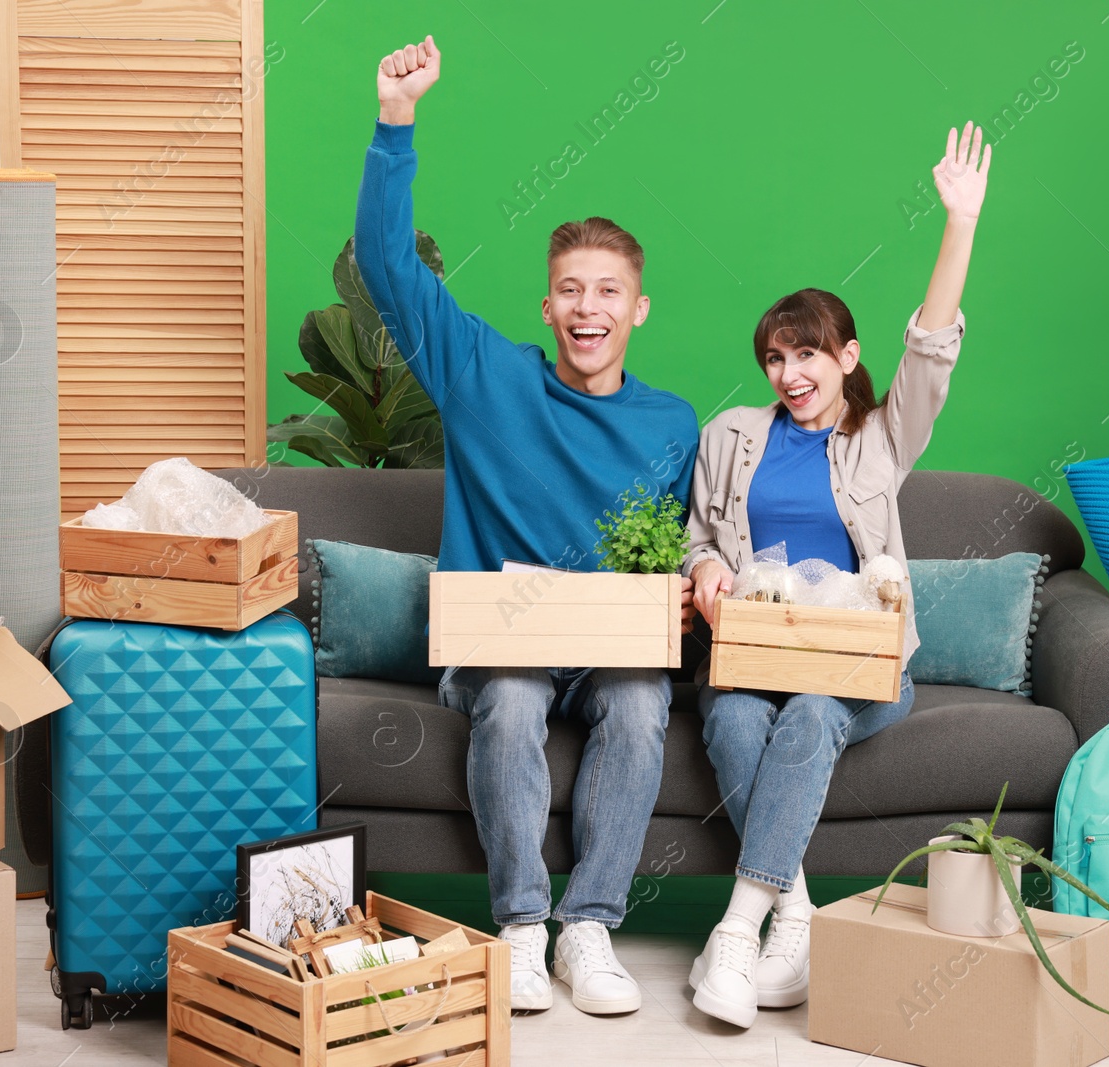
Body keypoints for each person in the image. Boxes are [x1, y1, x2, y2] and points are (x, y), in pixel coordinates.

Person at [356, 36, 700, 1017]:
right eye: (570, 290)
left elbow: (664, 542)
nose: (587, 308)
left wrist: (677, 582)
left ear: (636, 307)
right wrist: (395, 119)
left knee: (639, 706)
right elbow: (386, 264)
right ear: (545, 304)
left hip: (607, 649)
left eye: (607, 292)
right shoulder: (485, 378)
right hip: (500, 637)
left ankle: (588, 925)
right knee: (506, 698)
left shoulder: (669, 421)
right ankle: (519, 927)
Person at [682, 122, 992, 1028]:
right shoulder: (731, 436)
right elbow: (702, 537)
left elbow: (933, 347)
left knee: (813, 714)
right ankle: (798, 917)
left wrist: (959, 223)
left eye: (807, 354)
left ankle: (738, 929)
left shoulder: (880, 438)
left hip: (857, 669)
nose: (789, 373)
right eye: (776, 358)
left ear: (847, 359)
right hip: (750, 653)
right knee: (735, 715)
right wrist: (704, 574)